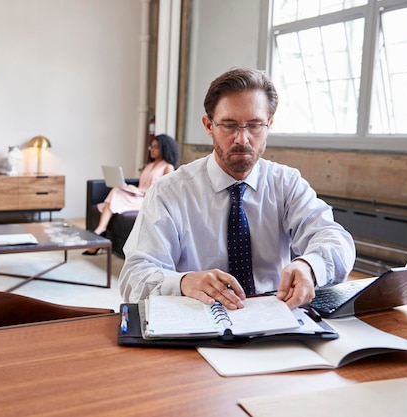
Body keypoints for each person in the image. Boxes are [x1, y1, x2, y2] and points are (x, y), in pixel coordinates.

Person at [119, 67, 355, 310]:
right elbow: (133, 277)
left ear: (269, 125)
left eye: (254, 125)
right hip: (198, 321)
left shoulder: (286, 183)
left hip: (277, 321)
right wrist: (183, 282)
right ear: (208, 126)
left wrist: (309, 266)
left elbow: (337, 240)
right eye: (229, 125)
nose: (242, 139)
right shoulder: (169, 191)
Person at [83, 133, 180, 255]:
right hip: (137, 194)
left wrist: (140, 191)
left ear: (164, 148)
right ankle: (100, 230)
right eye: (151, 146)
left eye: (156, 147)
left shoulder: (168, 167)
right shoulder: (148, 165)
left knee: (115, 193)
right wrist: (132, 188)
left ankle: (100, 230)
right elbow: (142, 183)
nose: (152, 149)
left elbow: (163, 190)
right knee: (116, 190)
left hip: (148, 198)